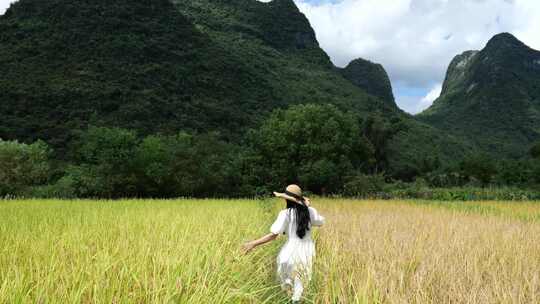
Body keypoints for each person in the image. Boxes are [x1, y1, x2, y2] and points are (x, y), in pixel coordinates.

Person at [243, 184, 325, 303]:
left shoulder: (285, 213)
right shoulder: (310, 211)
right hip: (307, 251)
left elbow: (273, 235)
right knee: (301, 285)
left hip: (290, 252)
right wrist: (308, 207)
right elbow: (320, 222)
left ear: (286, 199)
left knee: (288, 284)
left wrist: (253, 243)